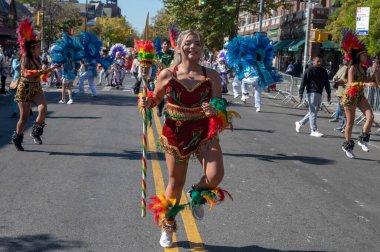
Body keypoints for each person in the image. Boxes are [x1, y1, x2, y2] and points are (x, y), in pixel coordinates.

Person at [139, 30, 235, 248]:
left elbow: (220, 106)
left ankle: (196, 194)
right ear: (179, 47)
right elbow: (155, 100)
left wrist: (214, 109)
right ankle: (168, 223)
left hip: (203, 132)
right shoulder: (167, 74)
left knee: (215, 174)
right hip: (175, 134)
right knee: (175, 182)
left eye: (198, 43)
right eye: (189, 43)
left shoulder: (211, 76)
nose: (194, 47)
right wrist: (146, 103)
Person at [12, 19, 57, 151]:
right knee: (24, 118)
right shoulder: (25, 58)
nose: (39, 49)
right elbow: (26, 73)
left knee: (43, 109)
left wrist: (50, 69)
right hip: (24, 89)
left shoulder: (38, 59)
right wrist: (44, 70)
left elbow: (41, 76)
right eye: (37, 47)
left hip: (36, 87)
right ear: (32, 49)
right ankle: (18, 137)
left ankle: (35, 132)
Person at [340, 47, 377, 158]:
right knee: (350, 123)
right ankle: (347, 146)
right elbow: (351, 83)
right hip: (350, 96)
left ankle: (362, 139)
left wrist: (374, 77)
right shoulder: (352, 68)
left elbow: (367, 81)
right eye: (364, 55)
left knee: (370, 117)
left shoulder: (363, 68)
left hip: (359, 96)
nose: (366, 57)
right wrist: (365, 84)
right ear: (358, 56)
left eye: (366, 55)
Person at [295, 56, 331, 137]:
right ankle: (313, 130)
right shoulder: (309, 70)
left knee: (314, 111)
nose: (319, 63)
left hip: (319, 92)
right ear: (313, 61)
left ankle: (300, 123)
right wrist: (300, 94)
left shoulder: (323, 71)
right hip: (311, 92)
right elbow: (303, 82)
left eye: (320, 61)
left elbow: (327, 83)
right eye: (318, 61)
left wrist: (329, 94)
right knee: (313, 111)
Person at [155, 38, 174, 117]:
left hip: (170, 76)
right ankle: (160, 107)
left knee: (170, 94)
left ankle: (169, 110)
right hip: (160, 76)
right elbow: (155, 63)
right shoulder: (157, 54)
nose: (166, 45)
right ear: (162, 45)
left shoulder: (172, 53)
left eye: (168, 44)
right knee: (160, 94)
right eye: (165, 44)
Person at [330, 58, 349, 132]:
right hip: (340, 91)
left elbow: (344, 79)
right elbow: (335, 76)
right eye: (344, 59)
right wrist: (335, 79)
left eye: (346, 59)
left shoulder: (348, 68)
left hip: (345, 92)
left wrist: (337, 80)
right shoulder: (342, 68)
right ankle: (342, 126)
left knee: (345, 110)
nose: (344, 60)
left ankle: (345, 127)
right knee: (341, 110)